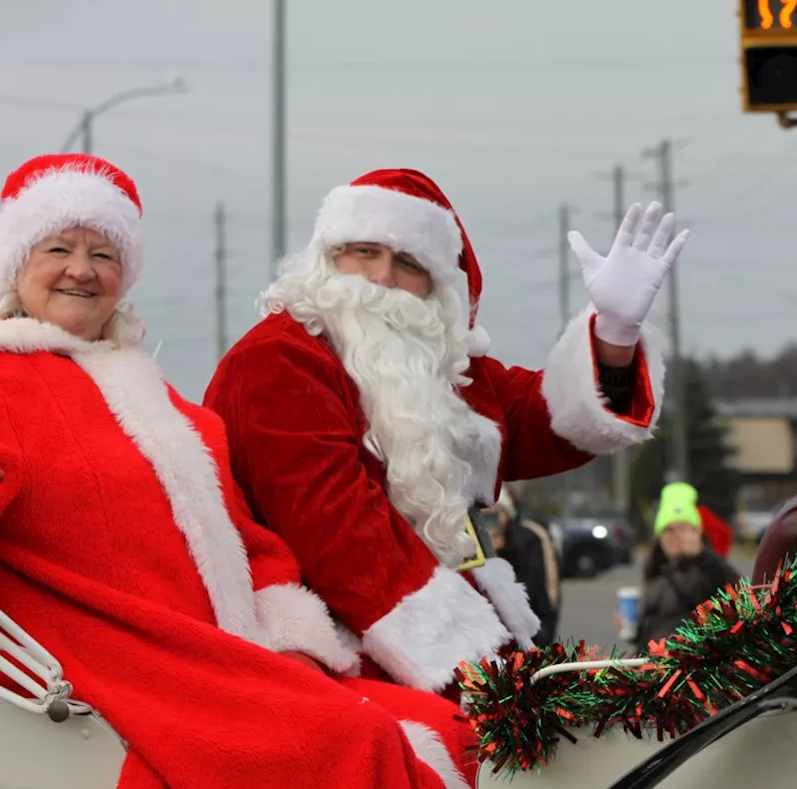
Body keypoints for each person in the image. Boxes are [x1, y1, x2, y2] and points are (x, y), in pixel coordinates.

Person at [0, 154, 475, 789]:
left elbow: (249, 543)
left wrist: (294, 645)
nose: (81, 269)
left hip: (223, 660)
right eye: (58, 248)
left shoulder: (167, 406)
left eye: (103, 253)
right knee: (345, 743)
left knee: (441, 724)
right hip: (105, 664)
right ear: (17, 264)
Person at [204, 168, 688, 696]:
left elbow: (544, 417)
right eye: (365, 251)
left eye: (408, 263)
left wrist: (615, 337)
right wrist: (490, 677)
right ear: (327, 256)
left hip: (426, 652)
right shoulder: (277, 361)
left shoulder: (438, 367)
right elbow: (343, 543)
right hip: (321, 656)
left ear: (436, 287)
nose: (382, 277)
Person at [633, 482, 737, 647]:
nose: (676, 536)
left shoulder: (710, 569)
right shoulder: (656, 572)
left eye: (683, 528)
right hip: (654, 663)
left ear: (697, 533)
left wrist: (702, 556)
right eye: (669, 529)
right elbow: (648, 632)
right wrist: (632, 630)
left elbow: (739, 596)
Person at [482, 487, 561, 646]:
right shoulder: (470, 543)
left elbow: (537, 591)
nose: (492, 523)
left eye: (496, 514)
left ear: (507, 515)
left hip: (530, 634)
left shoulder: (526, 541)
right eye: (484, 517)